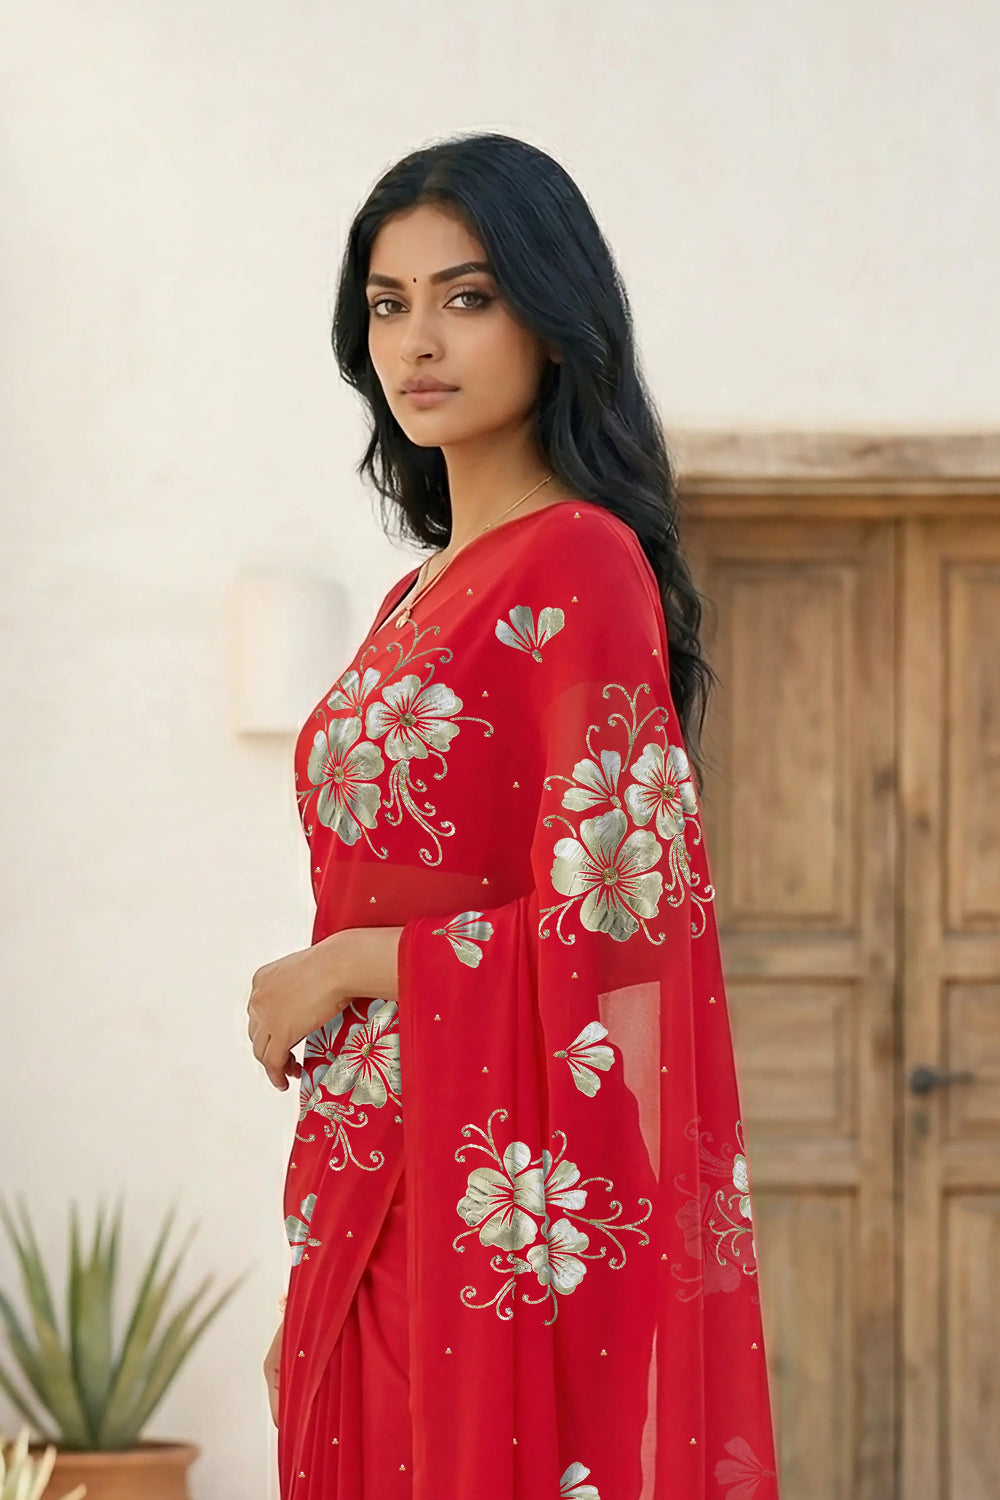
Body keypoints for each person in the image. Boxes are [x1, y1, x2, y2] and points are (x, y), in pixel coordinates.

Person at [247, 130, 779, 1500]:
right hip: (363, 1199)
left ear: (553, 320)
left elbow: (626, 939)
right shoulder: (414, 596)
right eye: (389, 303)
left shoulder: (581, 563)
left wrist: (358, 967)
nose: (419, 340)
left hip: (486, 1224)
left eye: (467, 297)